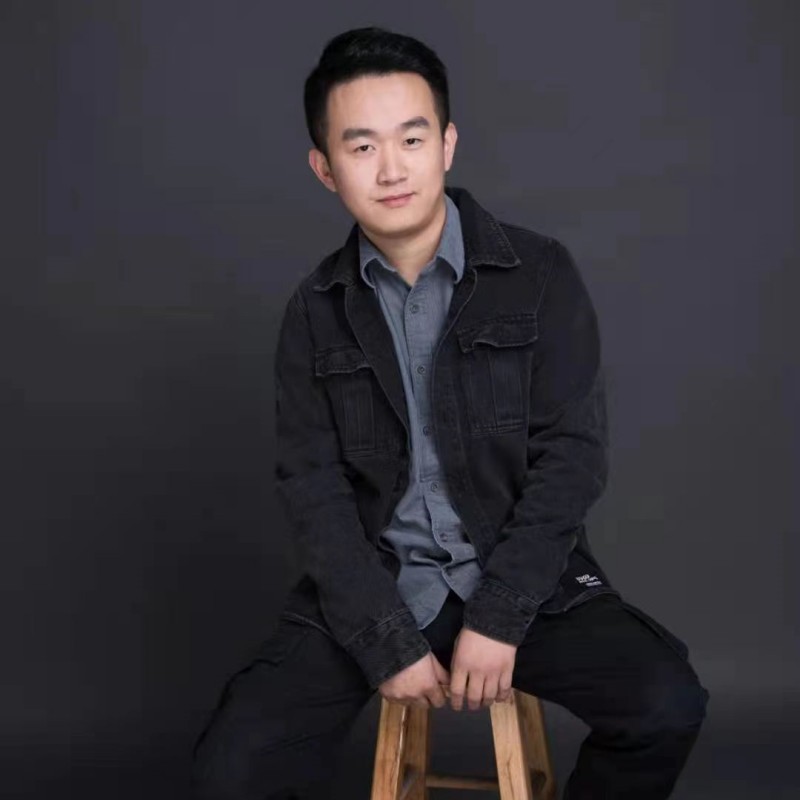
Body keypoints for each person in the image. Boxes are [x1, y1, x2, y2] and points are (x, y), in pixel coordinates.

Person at [191, 26, 709, 800]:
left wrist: (500, 615)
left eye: (412, 138)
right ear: (325, 168)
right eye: (361, 147)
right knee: (230, 771)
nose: (391, 168)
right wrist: (383, 638)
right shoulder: (315, 309)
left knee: (667, 705)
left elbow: (572, 458)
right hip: (375, 586)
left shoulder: (538, 273)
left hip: (524, 580)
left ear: (448, 144)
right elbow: (312, 487)